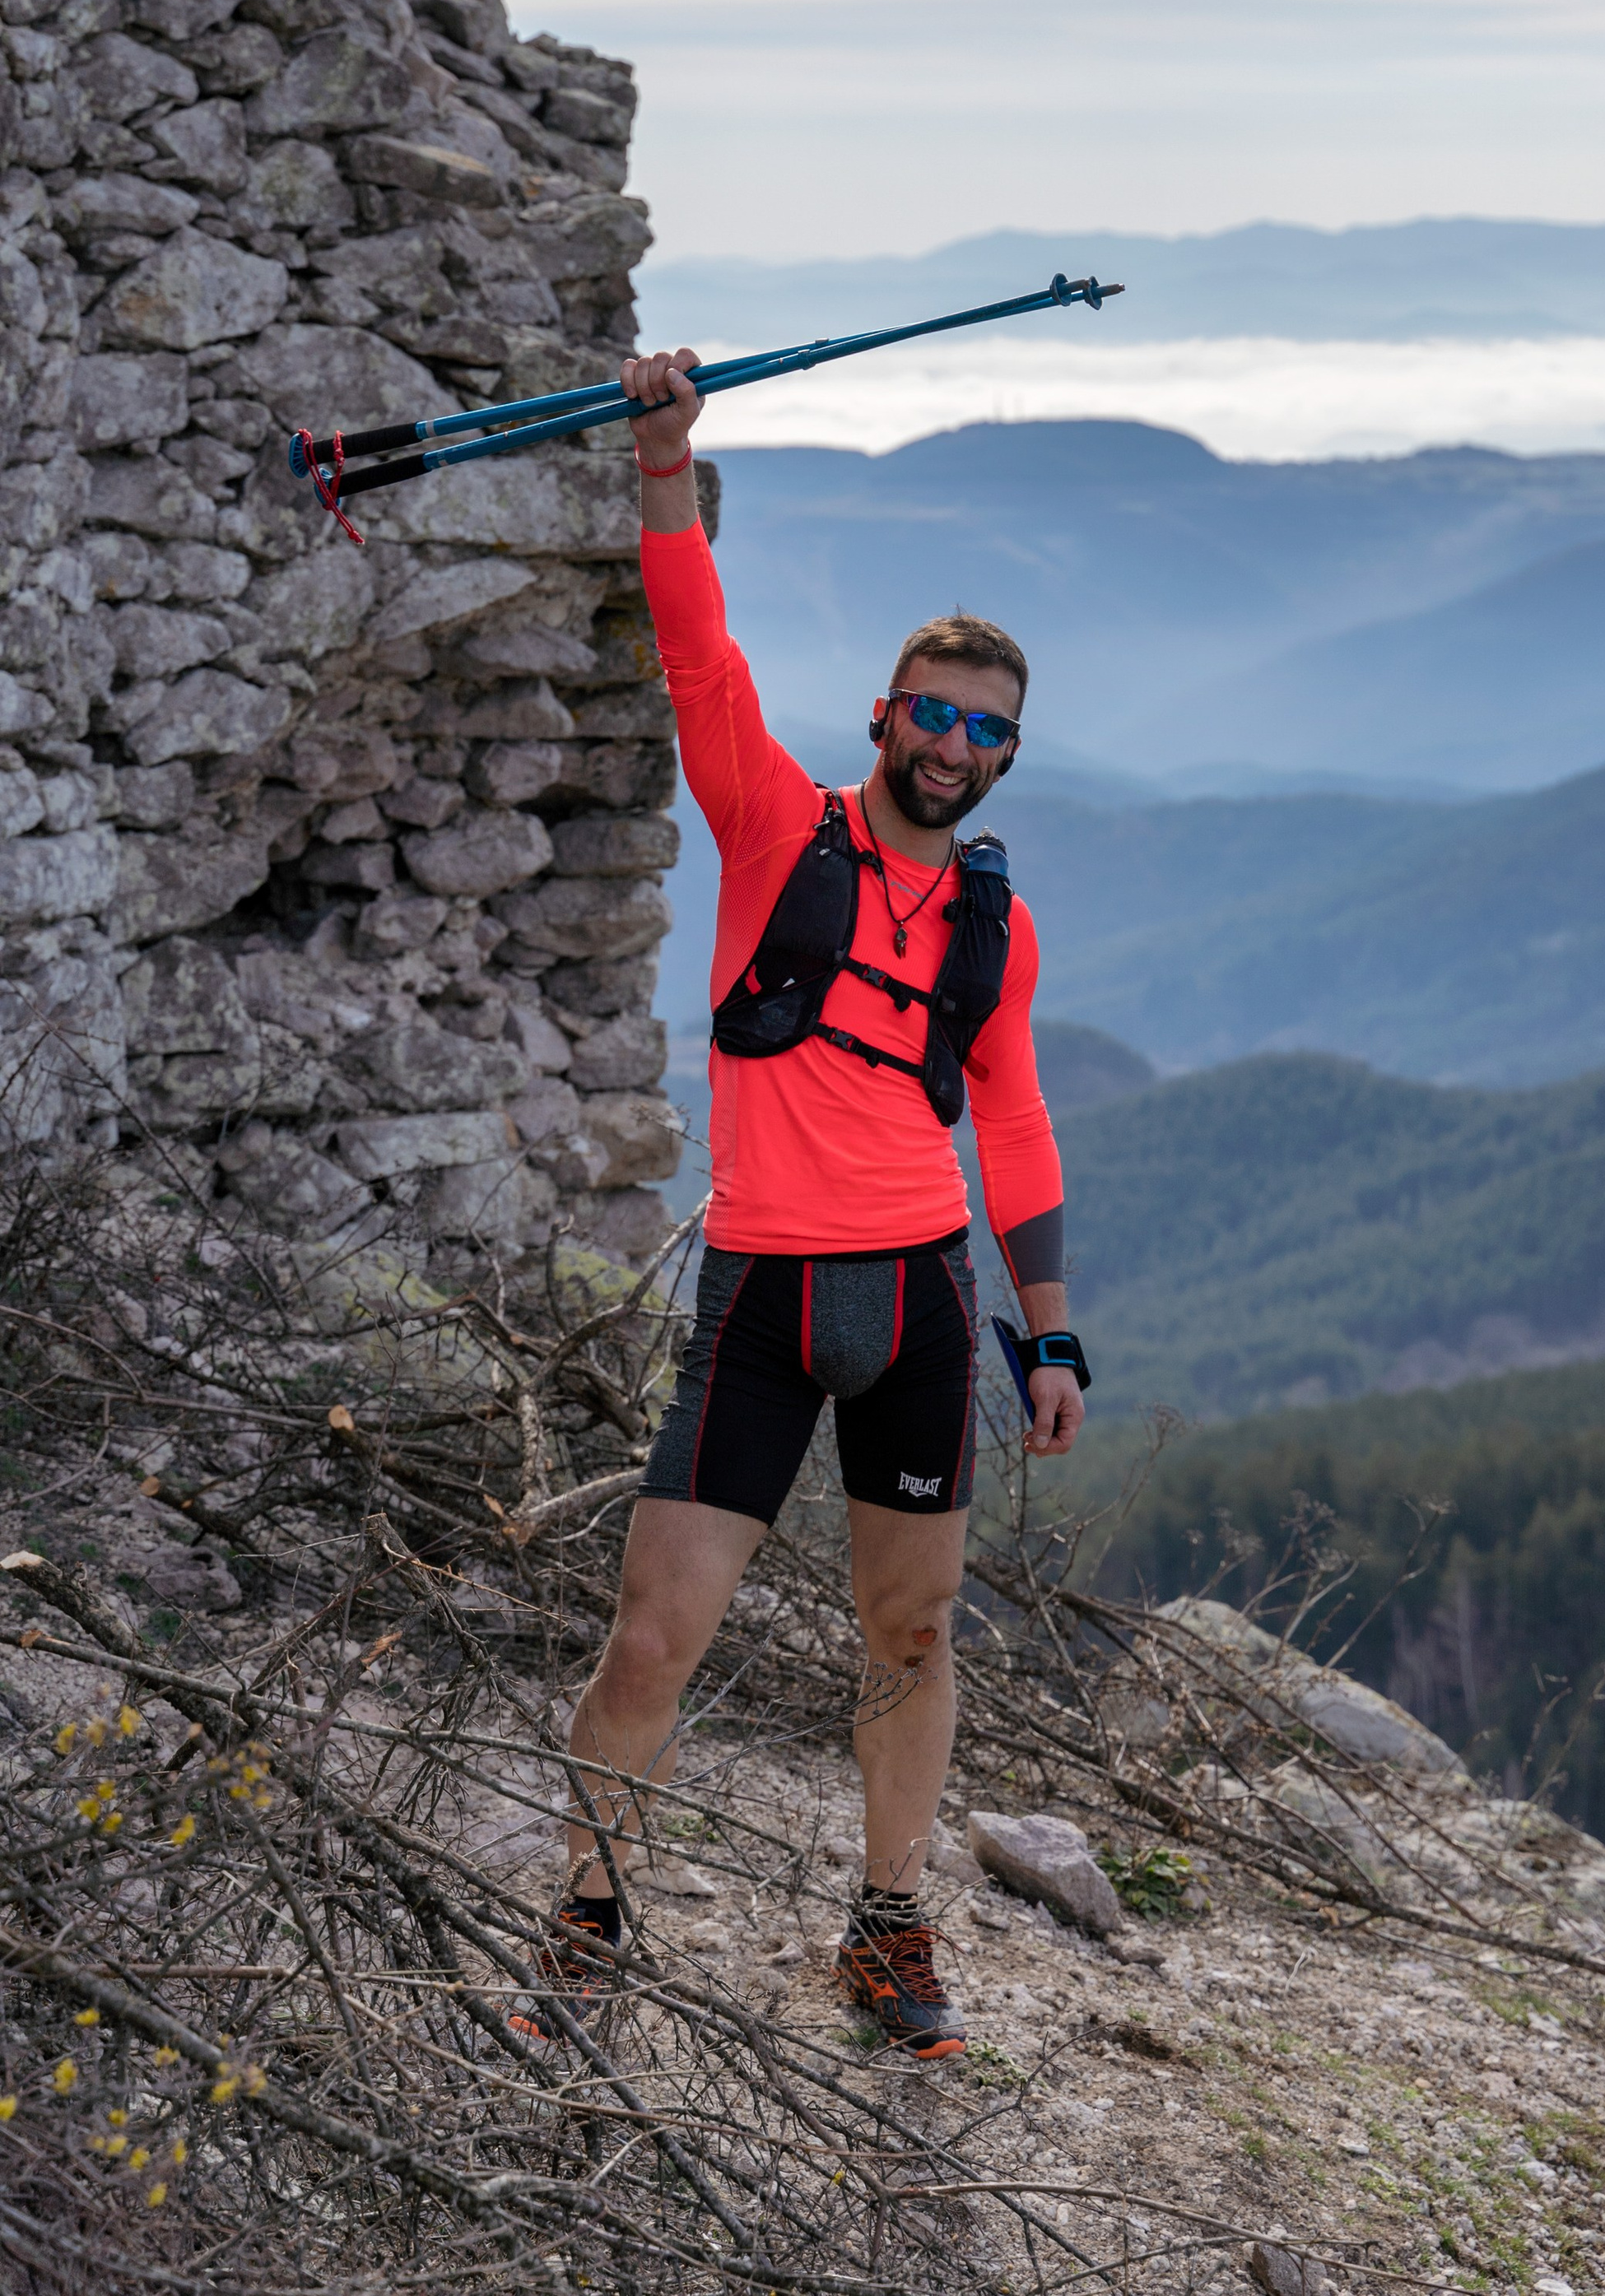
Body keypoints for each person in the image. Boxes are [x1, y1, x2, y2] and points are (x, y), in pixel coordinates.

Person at [533, 343, 1087, 2061]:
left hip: (919, 1300)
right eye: (931, 710)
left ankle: (889, 1920)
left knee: (908, 1630)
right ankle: (587, 1916)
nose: (954, 742)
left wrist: (1051, 1339)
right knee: (653, 1632)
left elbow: (1009, 1105)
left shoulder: (993, 927)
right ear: (882, 717)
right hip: (762, 1294)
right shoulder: (776, 826)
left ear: (1004, 758)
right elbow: (697, 657)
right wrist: (663, 465)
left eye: (985, 727)